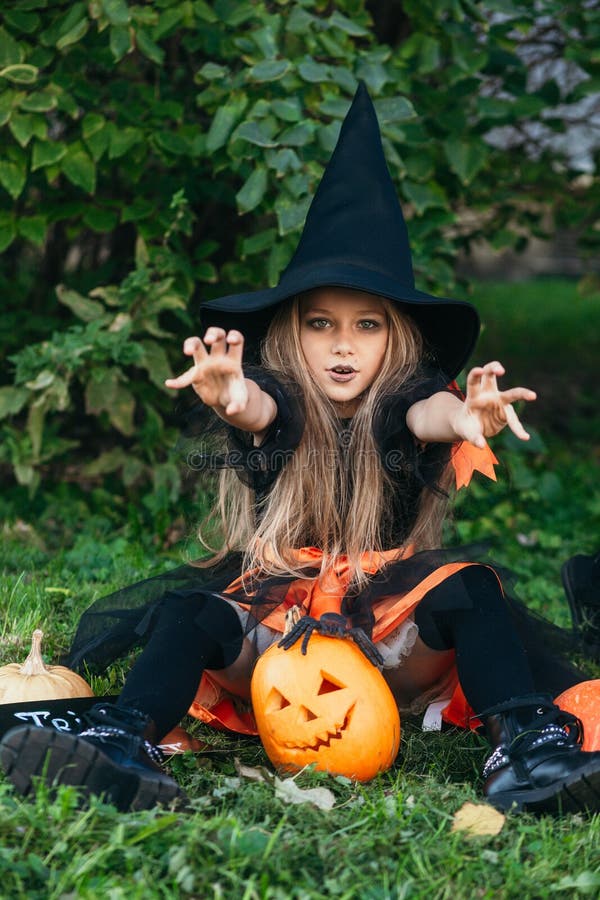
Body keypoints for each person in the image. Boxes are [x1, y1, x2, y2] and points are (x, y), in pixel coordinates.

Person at [2, 84, 599, 815]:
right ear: (290, 333)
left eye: (367, 325)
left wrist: (465, 417)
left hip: (392, 635)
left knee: (473, 590)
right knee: (190, 610)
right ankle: (125, 737)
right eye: (321, 324)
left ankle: (526, 744)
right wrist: (230, 400)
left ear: (398, 337)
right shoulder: (276, 395)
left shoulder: (408, 396)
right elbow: (259, 408)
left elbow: (430, 415)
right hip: (282, 626)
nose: (343, 344)